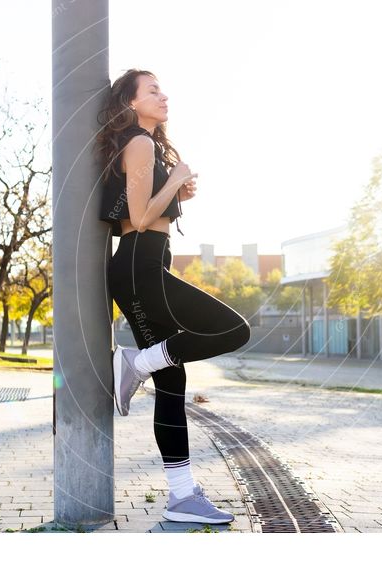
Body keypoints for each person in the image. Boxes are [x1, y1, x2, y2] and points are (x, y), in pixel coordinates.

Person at [96, 69, 251, 525]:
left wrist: (178, 189)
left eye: (162, 89)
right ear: (130, 102)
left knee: (173, 382)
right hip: (141, 264)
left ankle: (182, 497)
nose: (164, 96)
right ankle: (134, 364)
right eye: (152, 90)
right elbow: (141, 217)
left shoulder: (144, 147)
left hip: (143, 267)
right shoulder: (140, 144)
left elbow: (143, 209)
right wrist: (175, 177)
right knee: (233, 329)